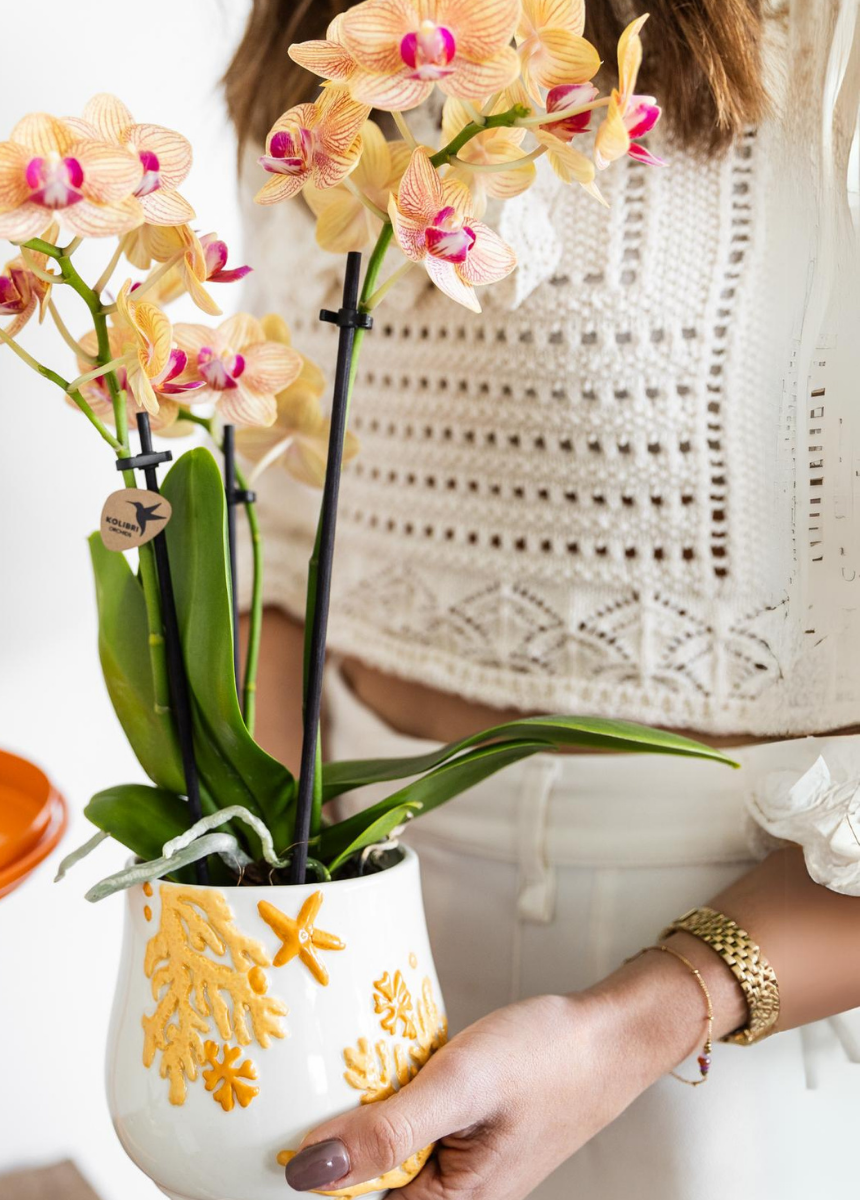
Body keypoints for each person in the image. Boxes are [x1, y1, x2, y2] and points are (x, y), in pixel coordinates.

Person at [224, 1, 860, 1196]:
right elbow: (285, 533)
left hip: (714, 1019)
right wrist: (261, 914)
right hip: (334, 959)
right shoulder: (334, 43)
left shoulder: (829, 54)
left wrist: (643, 1019)